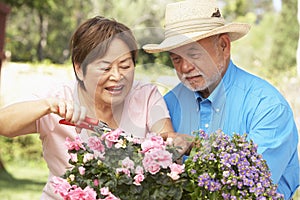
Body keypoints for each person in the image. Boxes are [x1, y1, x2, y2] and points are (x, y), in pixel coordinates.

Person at [0, 16, 189, 199]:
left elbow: (165, 136)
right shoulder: (60, 98)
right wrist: (49, 105)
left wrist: (177, 142)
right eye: (105, 68)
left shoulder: (145, 95)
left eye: (125, 66)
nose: (117, 76)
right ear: (80, 68)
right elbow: (3, 124)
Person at [143, 0, 299, 199]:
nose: (184, 68)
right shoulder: (168, 105)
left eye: (194, 54)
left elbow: (251, 184)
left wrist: (196, 145)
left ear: (224, 46)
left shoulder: (267, 106)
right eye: (176, 58)